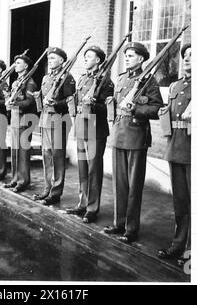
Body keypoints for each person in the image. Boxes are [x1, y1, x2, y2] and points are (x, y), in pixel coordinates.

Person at [104, 42, 163, 243]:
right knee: (119, 184)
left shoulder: (149, 80)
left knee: (133, 186)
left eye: (131, 55)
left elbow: (156, 109)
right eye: (126, 55)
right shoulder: (121, 79)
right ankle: (118, 223)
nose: (127, 58)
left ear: (141, 59)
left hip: (137, 137)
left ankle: (131, 228)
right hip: (119, 134)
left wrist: (135, 108)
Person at [65, 46, 114, 223]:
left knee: (94, 170)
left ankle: (92, 208)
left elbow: (108, 110)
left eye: (89, 56)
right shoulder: (83, 79)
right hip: (81, 127)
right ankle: (82, 202)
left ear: (98, 61)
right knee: (83, 169)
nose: (85, 59)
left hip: (96, 128)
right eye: (85, 56)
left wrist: (94, 103)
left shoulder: (106, 83)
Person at [157, 43, 191, 266]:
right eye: (186, 56)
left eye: (193, 56)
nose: (188, 59)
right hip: (176, 147)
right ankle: (179, 244)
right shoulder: (176, 85)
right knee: (180, 202)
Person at [32, 47, 76, 206]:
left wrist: (56, 103)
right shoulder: (45, 78)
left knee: (57, 157)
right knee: (46, 155)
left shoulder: (67, 78)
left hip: (59, 120)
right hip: (45, 120)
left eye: (53, 58)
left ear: (62, 61)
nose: (49, 60)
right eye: (49, 58)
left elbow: (71, 101)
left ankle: (56, 192)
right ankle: (47, 188)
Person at [3, 54, 37, 193]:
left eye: (18, 63)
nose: (15, 65)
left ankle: (24, 181)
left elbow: (29, 102)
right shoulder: (16, 82)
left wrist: (14, 103)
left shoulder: (30, 83)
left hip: (25, 119)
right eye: (15, 62)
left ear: (26, 66)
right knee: (15, 150)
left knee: (23, 152)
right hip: (16, 119)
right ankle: (15, 178)